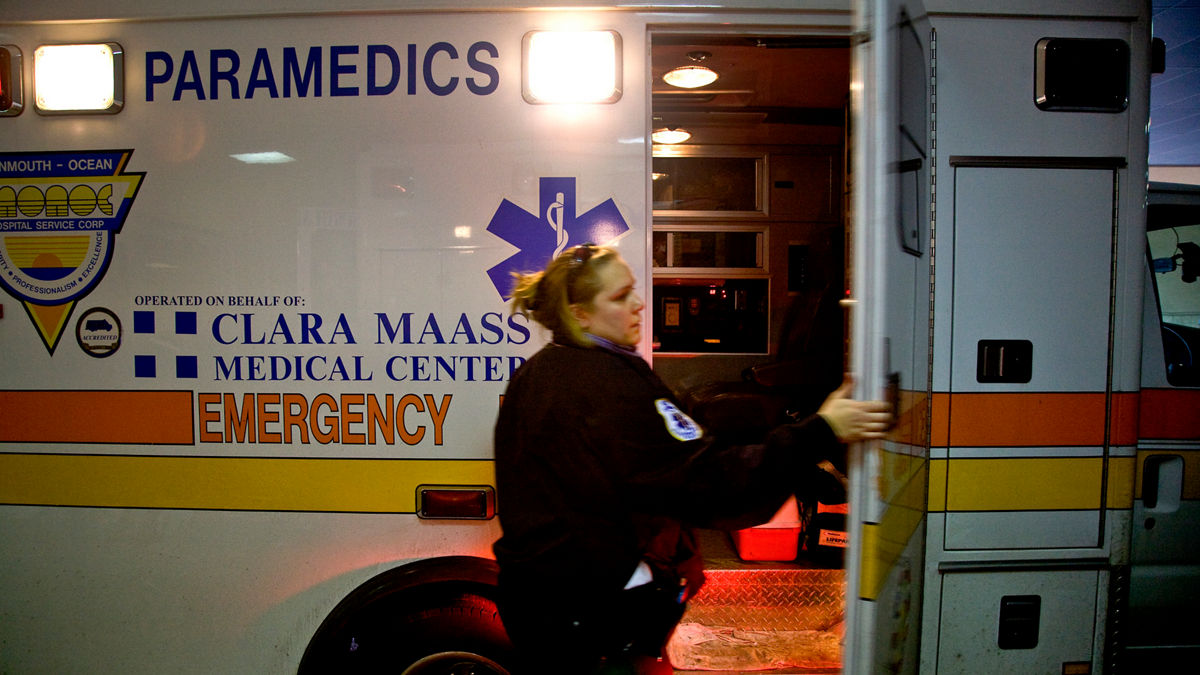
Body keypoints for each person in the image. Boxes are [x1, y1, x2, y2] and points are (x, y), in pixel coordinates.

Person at [491, 244, 891, 674]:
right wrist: (822, 430)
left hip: (538, 605)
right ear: (580, 313)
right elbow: (714, 486)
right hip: (592, 623)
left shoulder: (539, 372)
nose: (639, 303)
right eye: (620, 296)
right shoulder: (610, 385)